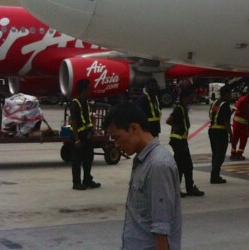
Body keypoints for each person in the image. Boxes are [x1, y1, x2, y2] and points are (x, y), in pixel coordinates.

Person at [104, 102, 181, 250]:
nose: (117, 145)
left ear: (134, 128)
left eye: (117, 138)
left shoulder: (158, 165)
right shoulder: (143, 160)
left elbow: (162, 228)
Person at [168, 87, 204, 197]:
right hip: (178, 141)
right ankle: (176, 190)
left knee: (187, 166)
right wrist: (177, 127)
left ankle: (189, 188)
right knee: (181, 166)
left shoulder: (183, 109)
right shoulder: (179, 109)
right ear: (184, 98)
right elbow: (169, 120)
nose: (192, 99)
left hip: (182, 141)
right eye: (191, 97)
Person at [69, 79, 100, 190]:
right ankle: (76, 183)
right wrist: (77, 140)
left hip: (87, 135)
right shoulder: (75, 104)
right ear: (84, 90)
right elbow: (74, 122)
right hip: (79, 136)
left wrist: (92, 131)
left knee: (88, 158)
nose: (90, 91)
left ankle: (87, 180)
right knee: (77, 160)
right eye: (89, 89)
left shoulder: (85, 102)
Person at [208, 84, 232, 184]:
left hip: (212, 130)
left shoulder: (215, 103)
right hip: (221, 132)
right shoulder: (225, 105)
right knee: (220, 155)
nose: (230, 96)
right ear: (226, 94)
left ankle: (214, 174)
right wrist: (231, 134)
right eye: (229, 94)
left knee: (215, 154)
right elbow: (226, 122)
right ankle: (215, 176)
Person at [230, 87, 249, 160]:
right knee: (235, 138)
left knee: (244, 139)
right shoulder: (242, 100)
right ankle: (233, 153)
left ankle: (239, 154)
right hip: (238, 122)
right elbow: (234, 109)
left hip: (246, 123)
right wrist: (227, 117)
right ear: (248, 92)